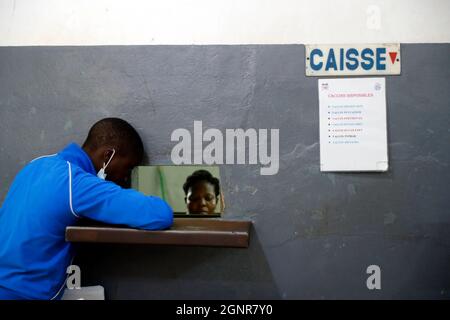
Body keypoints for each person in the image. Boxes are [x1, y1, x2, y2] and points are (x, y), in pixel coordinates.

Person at [0, 118, 173, 300]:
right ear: (109, 156)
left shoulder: (36, 164)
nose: (124, 178)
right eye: (128, 168)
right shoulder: (77, 183)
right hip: (23, 295)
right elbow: (160, 215)